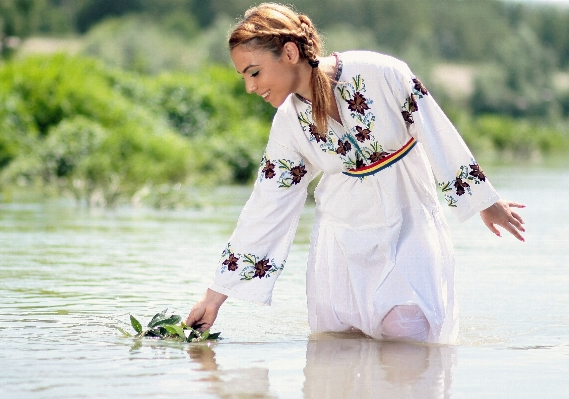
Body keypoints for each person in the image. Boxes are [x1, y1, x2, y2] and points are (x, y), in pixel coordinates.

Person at [185, 3, 525, 344]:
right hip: (342, 244)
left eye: (254, 72)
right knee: (338, 353)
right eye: (244, 76)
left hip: (409, 226)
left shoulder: (380, 72)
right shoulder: (290, 123)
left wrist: (485, 200)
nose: (249, 87)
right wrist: (213, 298)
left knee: (410, 337)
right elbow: (265, 207)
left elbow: (435, 130)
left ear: (289, 52)